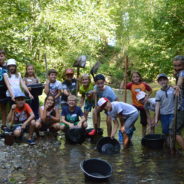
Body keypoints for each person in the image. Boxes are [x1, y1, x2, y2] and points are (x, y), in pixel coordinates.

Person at [120, 71, 152, 137]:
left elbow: (150, 90)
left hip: (143, 106)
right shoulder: (130, 85)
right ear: (131, 78)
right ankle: (132, 126)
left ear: (140, 77)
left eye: (137, 76)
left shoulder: (144, 84)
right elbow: (122, 87)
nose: (135, 78)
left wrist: (147, 97)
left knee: (144, 123)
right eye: (134, 77)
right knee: (130, 117)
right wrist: (124, 78)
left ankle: (144, 136)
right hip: (135, 105)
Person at [171, 55, 184, 150]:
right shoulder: (179, 73)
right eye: (175, 66)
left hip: (182, 107)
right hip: (181, 106)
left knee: (174, 130)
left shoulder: (182, 73)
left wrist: (177, 86)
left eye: (179, 65)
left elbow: (181, 79)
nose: (177, 68)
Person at [0, 50, 14, 130]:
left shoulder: (8, 66)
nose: (0, 58)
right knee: (3, 108)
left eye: (1, 56)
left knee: (12, 107)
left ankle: (11, 123)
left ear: (5, 57)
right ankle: (4, 124)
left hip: (9, 89)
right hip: (0, 90)